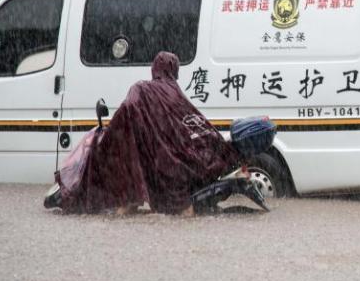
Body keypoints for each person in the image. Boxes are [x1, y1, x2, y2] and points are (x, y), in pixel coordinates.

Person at [51, 51, 241, 215]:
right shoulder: (175, 92)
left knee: (130, 189)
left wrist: (116, 130)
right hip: (181, 159)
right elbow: (191, 119)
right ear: (174, 70)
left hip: (164, 160)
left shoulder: (142, 89)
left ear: (155, 68)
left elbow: (128, 108)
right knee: (181, 206)